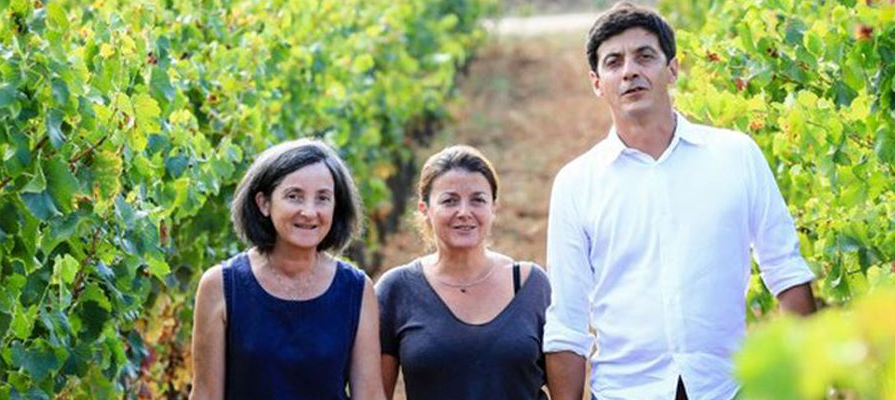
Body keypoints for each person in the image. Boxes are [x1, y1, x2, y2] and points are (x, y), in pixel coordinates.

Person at [542, 2, 820, 400]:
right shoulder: (576, 184)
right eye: (613, 62)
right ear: (596, 82)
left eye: (645, 56)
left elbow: (786, 271)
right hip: (624, 392)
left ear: (672, 69)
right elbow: (567, 319)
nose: (630, 71)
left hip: (727, 387)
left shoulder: (736, 156)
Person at [190, 138, 385, 400]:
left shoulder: (357, 289)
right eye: (294, 196)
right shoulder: (221, 286)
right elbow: (205, 395)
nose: (309, 211)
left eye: (323, 198)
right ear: (263, 203)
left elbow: (370, 395)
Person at [377, 145, 551, 400]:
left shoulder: (532, 285)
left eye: (478, 200)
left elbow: (565, 387)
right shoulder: (396, 289)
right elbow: (373, 393)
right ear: (425, 210)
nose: (464, 212)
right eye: (449, 201)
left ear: (494, 207)